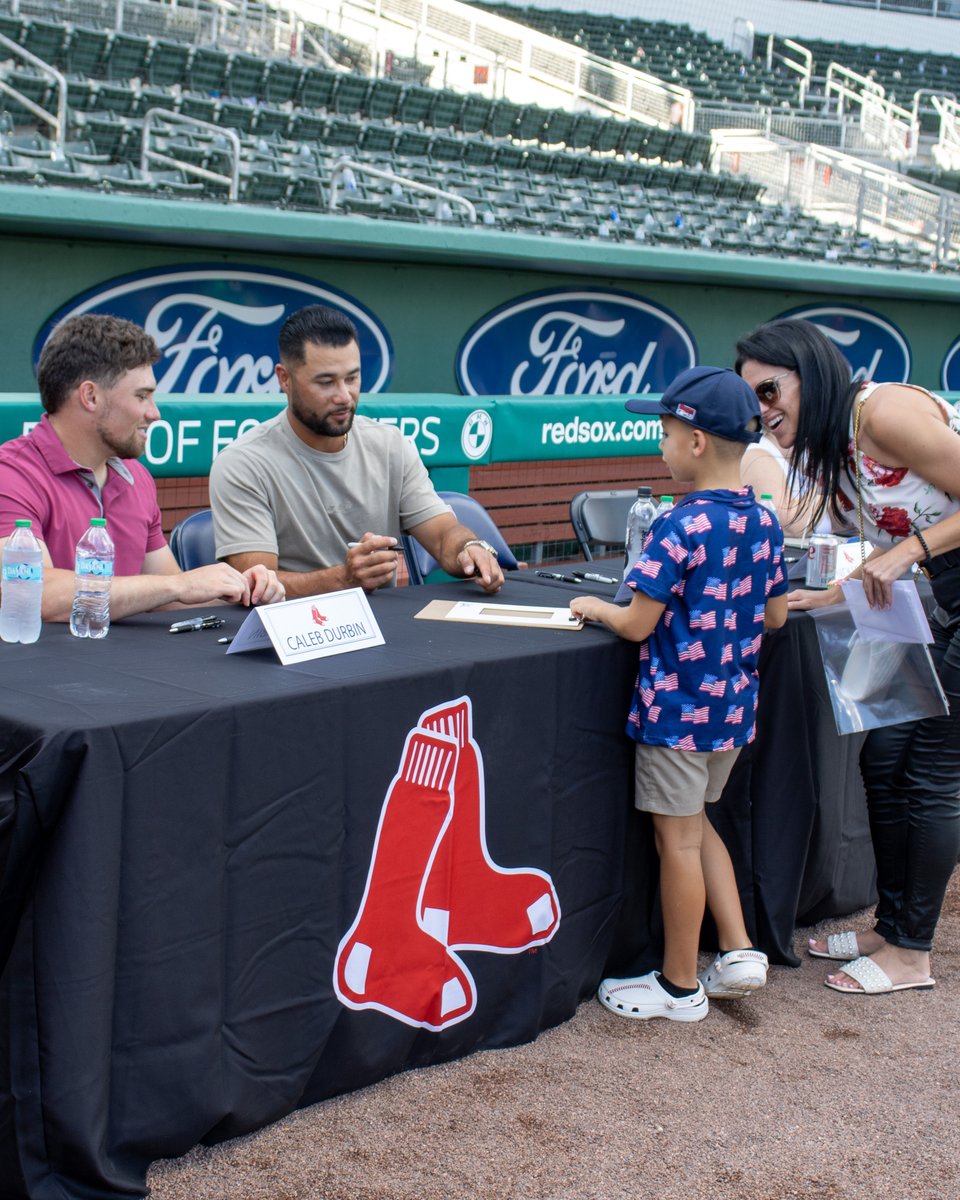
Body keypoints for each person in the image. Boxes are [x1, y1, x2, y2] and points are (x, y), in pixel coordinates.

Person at [735, 316, 960, 996]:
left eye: (771, 391)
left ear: (812, 372)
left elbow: (904, 541)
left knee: (929, 769)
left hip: (935, 579)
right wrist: (824, 595)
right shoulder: (823, 446)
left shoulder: (882, 412)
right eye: (754, 402)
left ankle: (913, 952)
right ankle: (890, 927)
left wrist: (909, 552)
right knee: (884, 756)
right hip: (928, 593)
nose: (764, 411)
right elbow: (865, 544)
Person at [570, 367, 789, 1023]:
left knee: (680, 845)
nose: (660, 446)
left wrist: (592, 607)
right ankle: (740, 949)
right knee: (699, 827)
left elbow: (636, 621)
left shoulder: (678, 524)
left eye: (665, 433)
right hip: (732, 712)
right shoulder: (763, 520)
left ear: (696, 442)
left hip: (675, 715)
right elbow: (777, 617)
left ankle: (677, 985)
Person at [0, 314, 284, 621]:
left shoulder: (137, 476)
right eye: (142, 396)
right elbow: (32, 595)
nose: (155, 413)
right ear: (90, 396)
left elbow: (165, 596)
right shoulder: (11, 475)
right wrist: (178, 585)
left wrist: (242, 589)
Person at [208, 305, 504, 597]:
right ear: (284, 379)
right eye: (326, 382)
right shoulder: (242, 463)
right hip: (287, 635)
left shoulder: (390, 445)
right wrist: (343, 580)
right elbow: (257, 584)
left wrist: (469, 549)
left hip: (382, 628)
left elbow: (442, 534)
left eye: (352, 378)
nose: (343, 396)